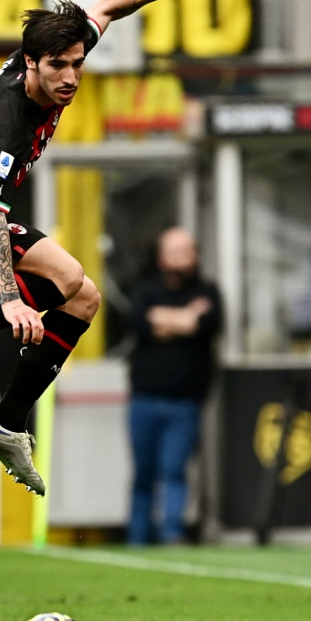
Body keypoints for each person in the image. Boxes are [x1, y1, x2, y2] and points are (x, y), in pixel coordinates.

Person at [0, 0, 228, 495]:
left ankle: (8, 420)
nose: (71, 76)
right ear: (30, 63)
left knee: (83, 297)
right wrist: (9, 302)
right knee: (64, 278)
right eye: (59, 66)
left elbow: (109, 5)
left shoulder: (55, 56)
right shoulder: (6, 120)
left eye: (77, 63)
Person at [126, 227, 222, 545]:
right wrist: (185, 319)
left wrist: (165, 320)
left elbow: (207, 324)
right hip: (144, 399)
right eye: (176, 251)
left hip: (185, 402)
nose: (183, 257)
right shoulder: (146, 290)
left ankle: (171, 533)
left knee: (174, 470)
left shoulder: (207, 291)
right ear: (161, 256)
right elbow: (141, 323)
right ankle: (138, 536)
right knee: (144, 473)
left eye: (188, 250)